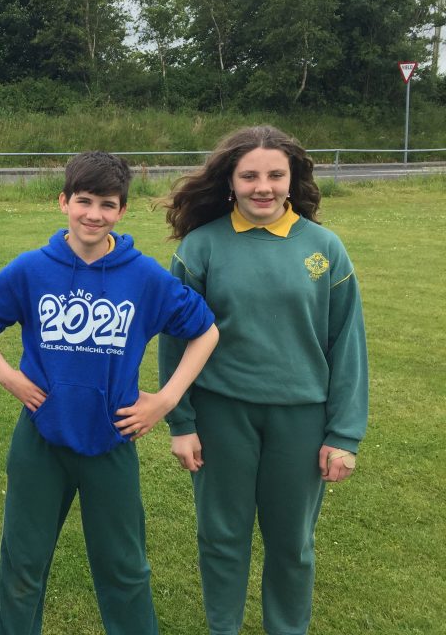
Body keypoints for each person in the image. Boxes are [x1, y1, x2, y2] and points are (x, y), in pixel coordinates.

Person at [0, 150, 219, 635]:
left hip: (111, 439)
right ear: (64, 202)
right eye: (84, 201)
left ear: (122, 210)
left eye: (107, 204)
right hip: (41, 437)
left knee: (124, 567)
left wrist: (165, 400)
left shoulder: (143, 276)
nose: (94, 215)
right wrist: (6, 375)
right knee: (22, 565)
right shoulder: (32, 269)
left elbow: (206, 330)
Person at [158, 125, 369, 635]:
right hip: (220, 415)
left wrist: (344, 435)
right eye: (249, 176)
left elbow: (347, 345)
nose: (263, 187)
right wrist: (181, 423)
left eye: (275, 175)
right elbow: (175, 341)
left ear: (292, 179)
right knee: (221, 537)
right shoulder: (200, 248)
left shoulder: (324, 248)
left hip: (301, 419)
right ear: (230, 181)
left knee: (292, 543)